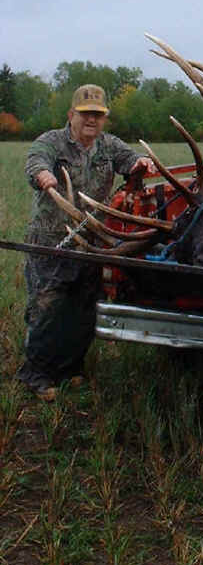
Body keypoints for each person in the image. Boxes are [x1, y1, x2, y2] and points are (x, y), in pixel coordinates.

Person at [17, 84, 155, 401]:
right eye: (85, 114)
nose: (91, 120)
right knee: (48, 307)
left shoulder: (109, 145)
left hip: (93, 242)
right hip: (53, 240)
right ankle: (36, 374)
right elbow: (36, 159)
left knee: (82, 307)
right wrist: (43, 175)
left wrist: (141, 164)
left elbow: (130, 159)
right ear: (72, 115)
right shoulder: (52, 141)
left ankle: (70, 368)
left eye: (97, 115)